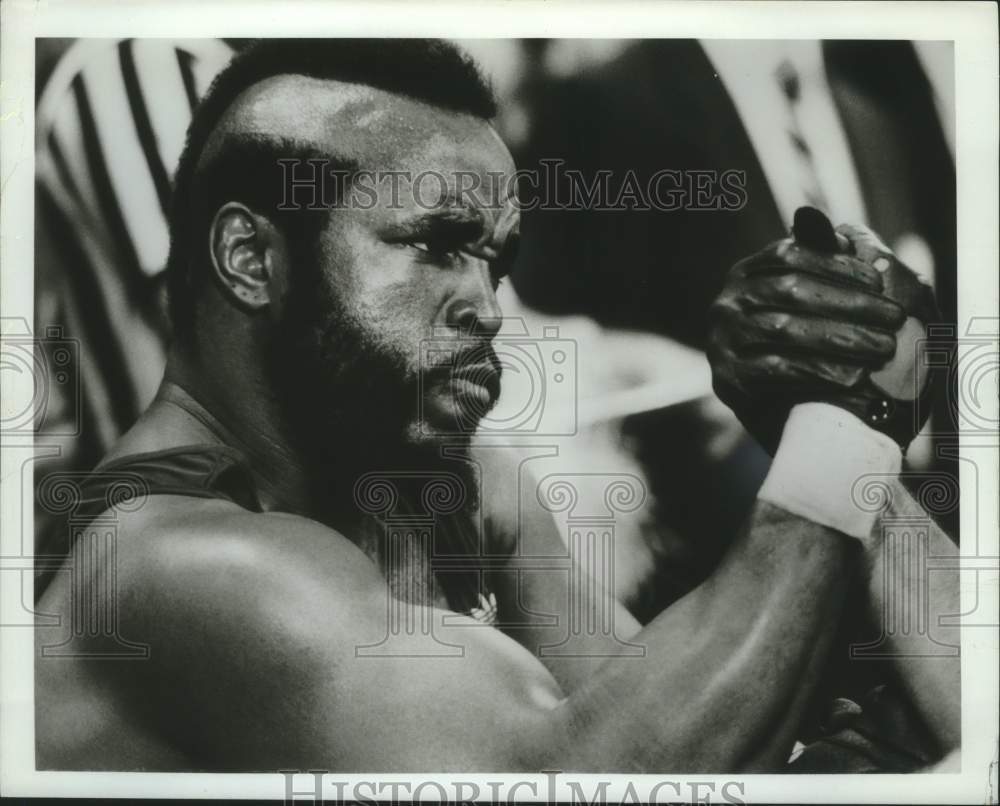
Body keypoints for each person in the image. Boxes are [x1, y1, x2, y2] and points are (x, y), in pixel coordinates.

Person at [34, 39, 958, 773]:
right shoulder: (178, 568)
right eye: (436, 243)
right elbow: (604, 776)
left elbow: (720, 736)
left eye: (496, 260)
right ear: (250, 258)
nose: (487, 304)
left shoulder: (454, 486)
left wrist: (826, 416)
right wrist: (842, 433)